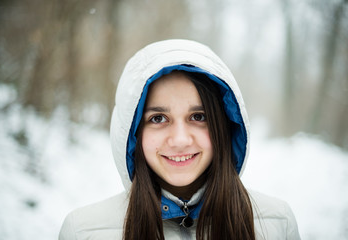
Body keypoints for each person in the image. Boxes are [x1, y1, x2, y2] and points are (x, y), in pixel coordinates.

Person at [59, 39, 300, 240]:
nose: (180, 140)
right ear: (132, 132)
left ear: (224, 126)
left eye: (198, 116)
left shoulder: (277, 224)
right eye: (158, 118)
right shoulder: (84, 231)